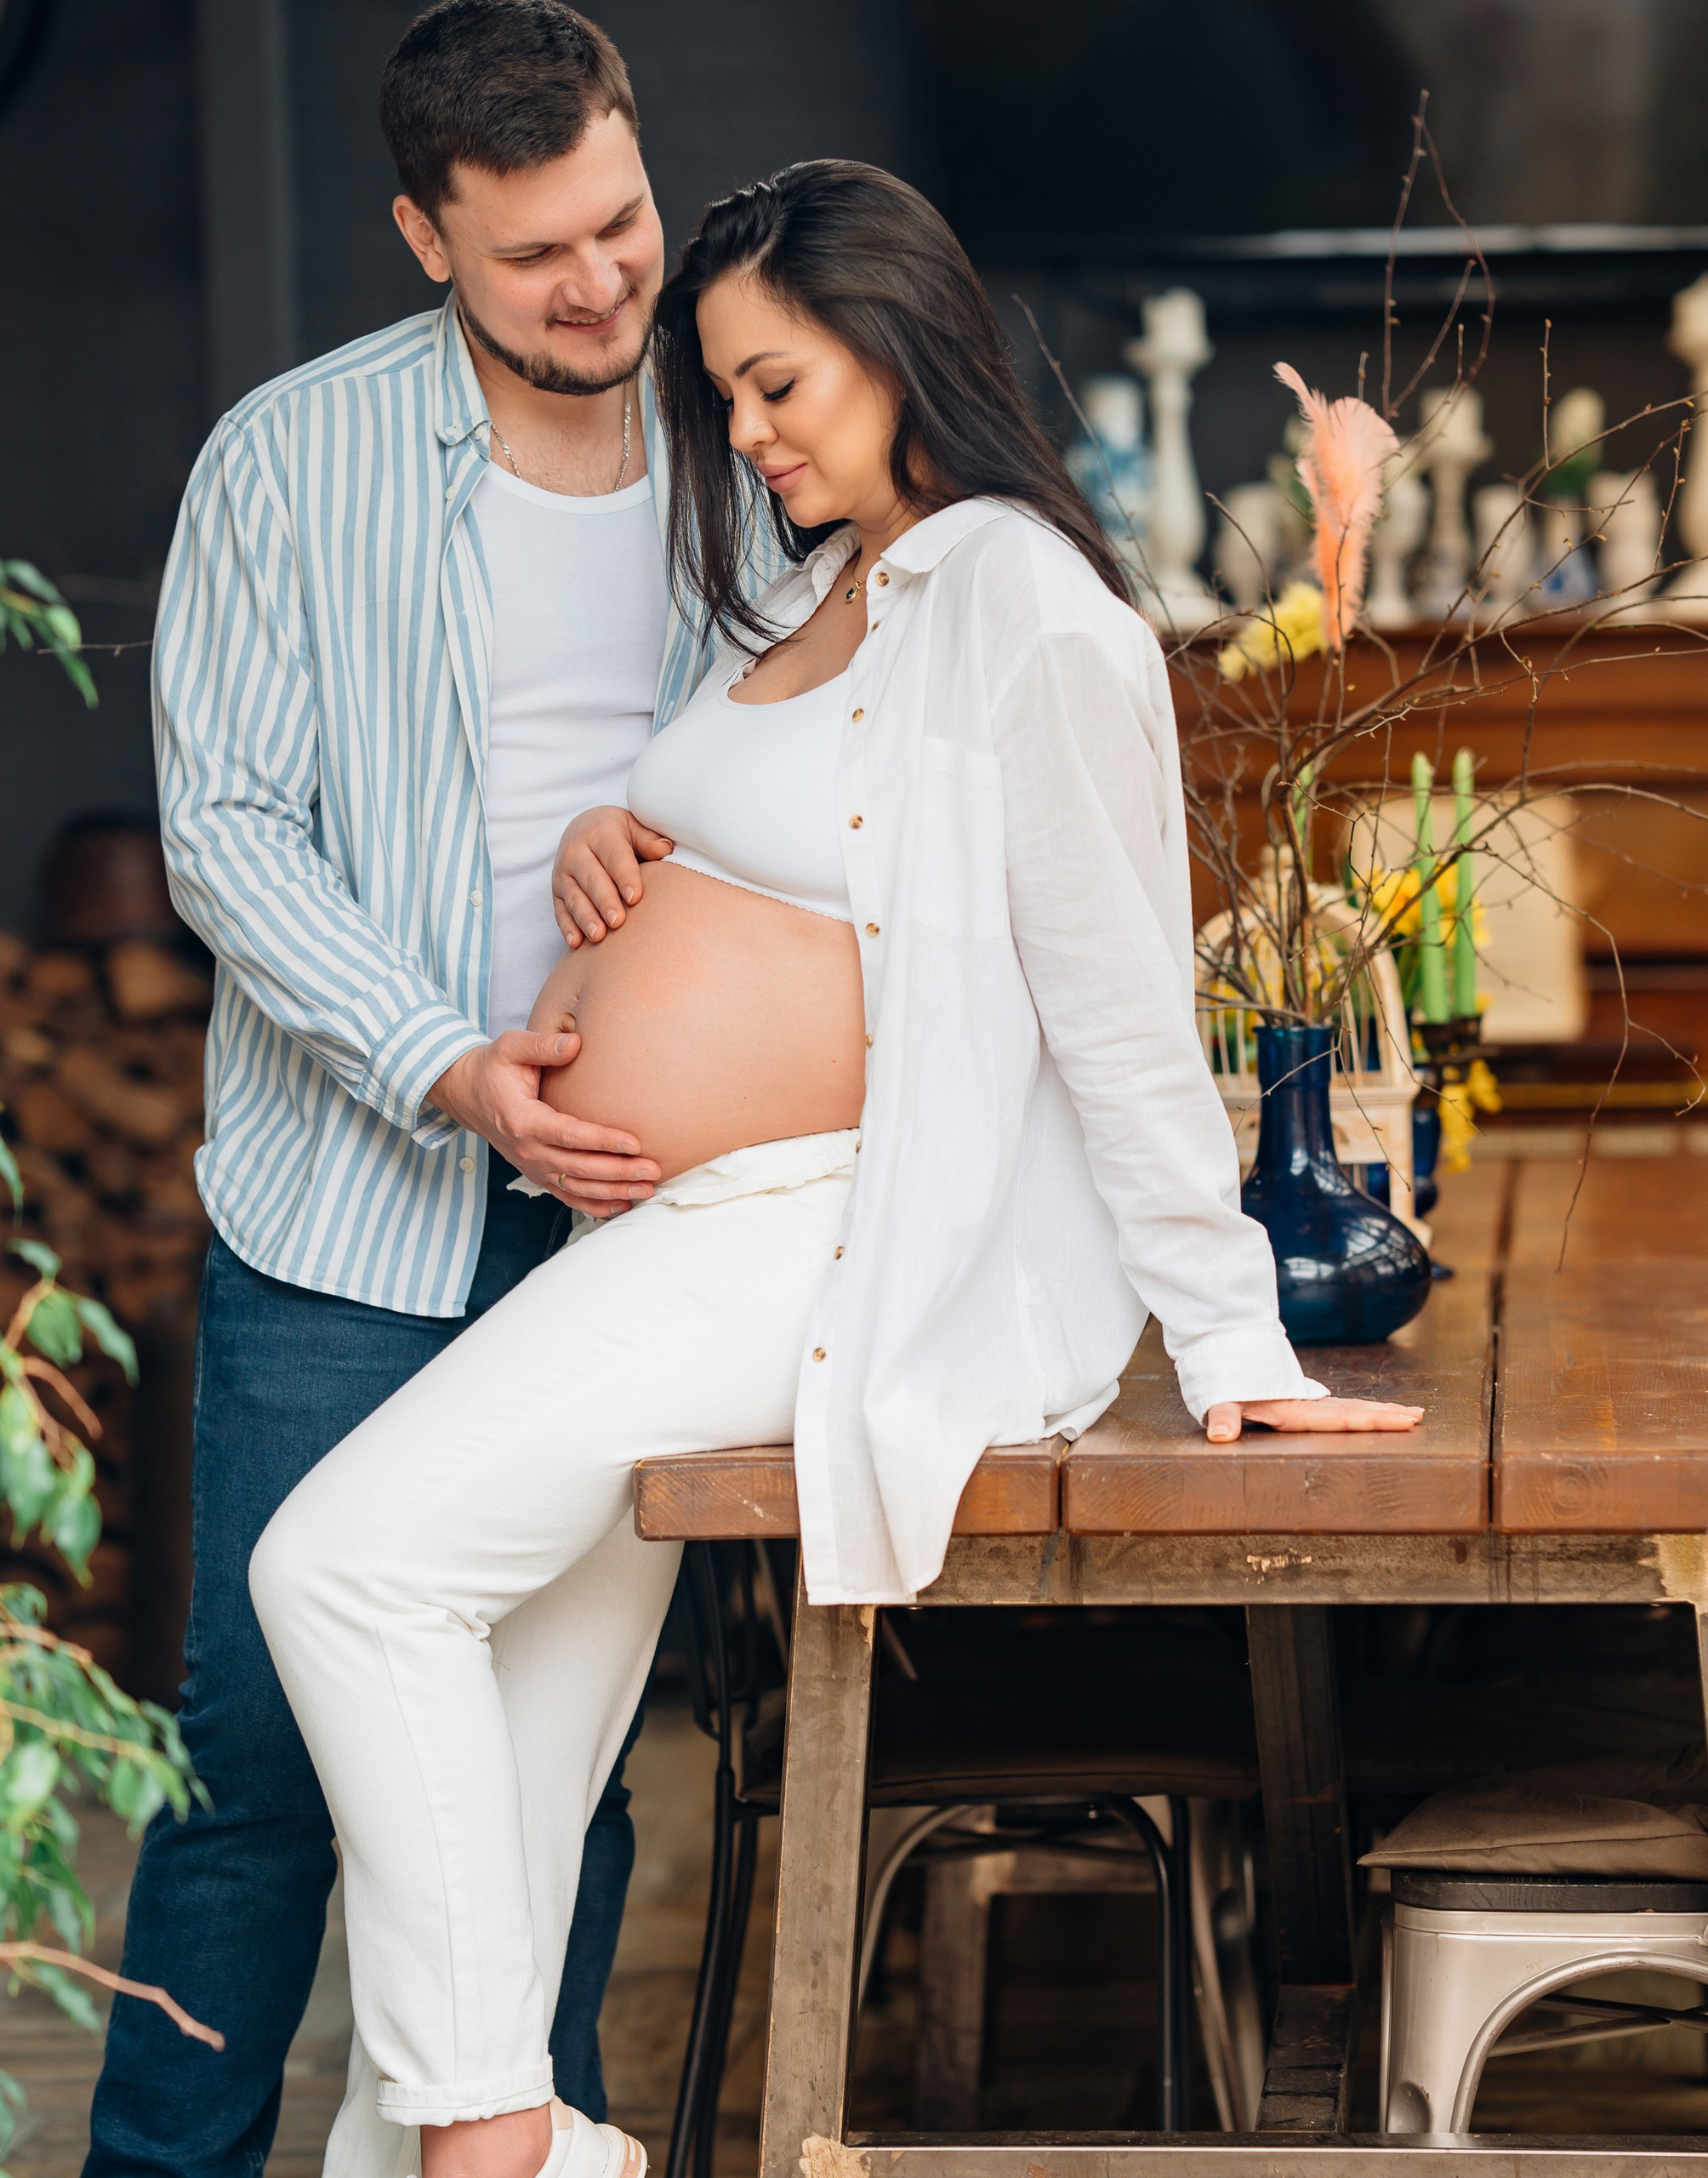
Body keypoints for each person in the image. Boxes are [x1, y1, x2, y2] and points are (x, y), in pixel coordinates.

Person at [245, 157, 1426, 2178]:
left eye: (775, 382)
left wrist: (1231, 1336)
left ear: (895, 341)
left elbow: (1122, 1007)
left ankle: (499, 2136)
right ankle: (456, 2141)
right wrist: (611, 847)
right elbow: (764, 842)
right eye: (724, 396)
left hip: (821, 1231)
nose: (747, 433)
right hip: (676, 1221)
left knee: (337, 1568)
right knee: (500, 1776)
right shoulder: (813, 585)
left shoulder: (1033, 610)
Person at [86, 9, 760, 2177]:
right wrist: (451, 1065)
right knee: (264, 1770)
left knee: (552, 1770)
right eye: (533, 255)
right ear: (419, 236)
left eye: (621, 222)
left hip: (646, 1219)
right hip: (349, 1203)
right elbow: (228, 835)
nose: (600, 286)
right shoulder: (286, 460)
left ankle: (503, 2149)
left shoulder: (757, 436)